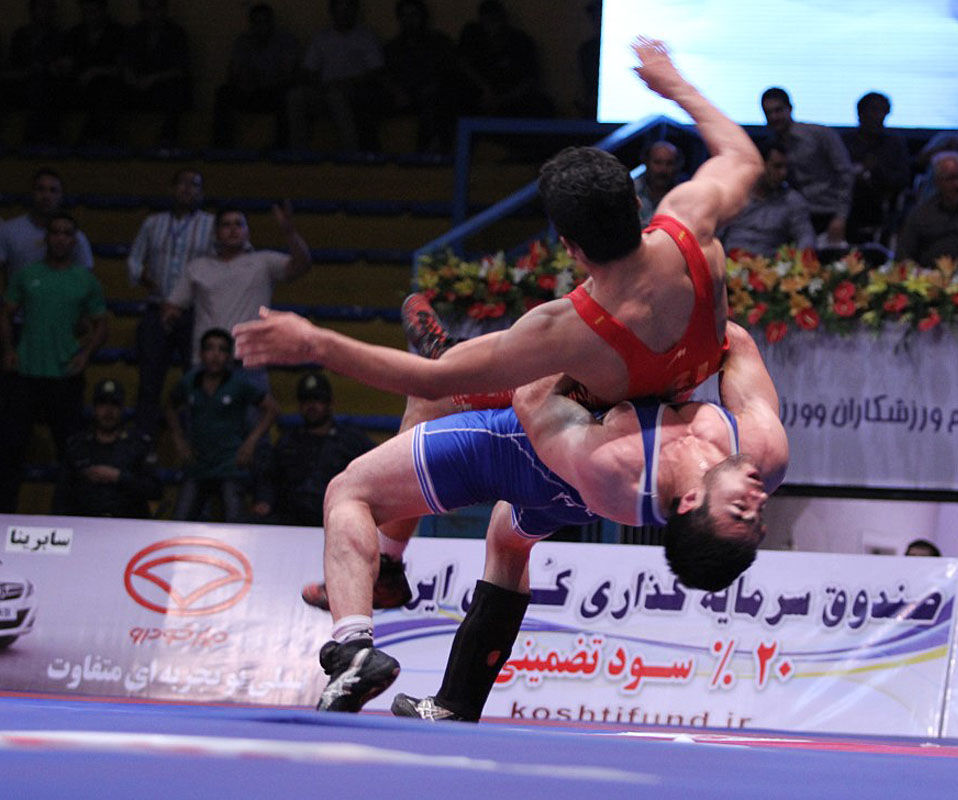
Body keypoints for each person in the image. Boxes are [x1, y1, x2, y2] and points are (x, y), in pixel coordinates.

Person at [236, 38, 761, 413]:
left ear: (569, 246)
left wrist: (315, 343)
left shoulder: (565, 327)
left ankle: (452, 350)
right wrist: (674, 85)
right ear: (637, 203)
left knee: (472, 393)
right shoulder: (690, 219)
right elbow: (742, 156)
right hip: (688, 378)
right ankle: (458, 349)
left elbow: (432, 381)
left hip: (605, 409)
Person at [314, 321, 788, 715]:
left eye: (740, 509)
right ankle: (455, 704)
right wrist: (673, 336)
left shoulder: (621, 467)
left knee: (376, 458)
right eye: (758, 516)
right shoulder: (764, 450)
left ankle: (360, 630)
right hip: (569, 486)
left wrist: (611, 332)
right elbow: (733, 339)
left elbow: (531, 398)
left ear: (690, 502)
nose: (757, 497)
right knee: (507, 540)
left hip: (526, 454)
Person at [0, 212, 108, 513]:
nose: (60, 238)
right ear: (46, 238)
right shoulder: (26, 275)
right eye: (55, 232)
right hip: (25, 373)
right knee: (9, 450)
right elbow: (5, 313)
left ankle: (69, 517)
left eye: (66, 233)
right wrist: (7, 349)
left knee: (71, 453)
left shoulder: (85, 280)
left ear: (74, 241)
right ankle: (3, 514)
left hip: (64, 375)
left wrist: (85, 355)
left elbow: (101, 324)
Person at [164, 203, 311, 368]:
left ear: (247, 231)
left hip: (250, 361)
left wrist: (290, 232)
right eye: (226, 225)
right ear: (216, 233)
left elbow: (302, 265)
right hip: (206, 362)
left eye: (238, 224)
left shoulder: (264, 262)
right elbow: (172, 308)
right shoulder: (197, 267)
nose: (233, 229)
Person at [127, 167, 214, 439]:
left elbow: (220, 265)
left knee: (196, 381)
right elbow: (133, 261)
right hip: (157, 309)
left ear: (201, 192)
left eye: (194, 184)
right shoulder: (152, 223)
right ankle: (143, 443)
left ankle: (196, 442)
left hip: (194, 313)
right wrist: (146, 279)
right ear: (171, 188)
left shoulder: (211, 225)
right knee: (149, 381)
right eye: (183, 183)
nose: (188, 189)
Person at [165, 328, 278, 522]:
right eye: (210, 349)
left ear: (229, 356)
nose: (215, 355)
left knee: (235, 524)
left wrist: (251, 442)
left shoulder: (239, 383)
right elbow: (169, 406)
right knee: (179, 521)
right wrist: (178, 439)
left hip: (230, 464)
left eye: (222, 350)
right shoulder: (190, 381)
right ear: (201, 354)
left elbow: (272, 409)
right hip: (197, 463)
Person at [248, 370, 374, 527]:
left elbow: (373, 473)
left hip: (336, 520)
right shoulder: (287, 442)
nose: (311, 406)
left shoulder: (351, 440)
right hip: (291, 521)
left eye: (317, 400)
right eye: (306, 401)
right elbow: (268, 478)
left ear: (330, 403)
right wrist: (264, 501)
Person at [52, 378, 161, 518]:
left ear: (122, 409)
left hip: (128, 523)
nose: (108, 411)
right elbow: (61, 496)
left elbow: (155, 490)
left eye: (114, 404)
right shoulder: (77, 446)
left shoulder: (139, 445)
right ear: (94, 408)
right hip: (86, 523)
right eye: (102, 404)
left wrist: (119, 477)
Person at [287, 0, 384, 152]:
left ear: (355, 12)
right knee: (295, 96)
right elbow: (308, 69)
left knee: (336, 96)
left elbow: (376, 71)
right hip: (325, 91)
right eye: (340, 10)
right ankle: (298, 152)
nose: (343, 15)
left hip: (356, 91)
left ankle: (351, 151)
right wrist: (317, 84)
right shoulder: (321, 37)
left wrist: (348, 82)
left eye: (347, 10)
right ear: (332, 13)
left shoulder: (366, 36)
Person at [760, 86, 852, 244]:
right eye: (768, 113)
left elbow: (845, 174)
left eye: (778, 110)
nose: (774, 117)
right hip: (793, 217)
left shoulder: (820, 135)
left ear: (790, 108)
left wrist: (840, 217)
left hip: (828, 214)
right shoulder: (771, 146)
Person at [212, 2, 301, 150]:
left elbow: (289, 74)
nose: (261, 26)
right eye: (257, 22)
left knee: (288, 96)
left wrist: (264, 80)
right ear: (251, 24)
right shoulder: (243, 42)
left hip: (274, 93)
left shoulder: (286, 41)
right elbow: (234, 73)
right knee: (223, 93)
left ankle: (282, 148)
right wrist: (243, 82)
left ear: (272, 22)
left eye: (265, 21)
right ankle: (221, 147)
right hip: (249, 92)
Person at [382, 0, 464, 156]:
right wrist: (396, 91)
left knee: (441, 98)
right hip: (402, 97)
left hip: (435, 97)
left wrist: (434, 86)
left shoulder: (439, 42)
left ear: (423, 17)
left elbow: (451, 70)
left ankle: (427, 152)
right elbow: (383, 74)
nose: (409, 20)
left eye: (414, 15)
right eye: (405, 16)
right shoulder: (392, 48)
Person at [0, 168, 94, 290]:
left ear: (61, 196)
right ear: (32, 193)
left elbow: (86, 281)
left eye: (53, 190)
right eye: (40, 189)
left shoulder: (76, 237)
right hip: (18, 301)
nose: (46, 196)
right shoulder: (8, 231)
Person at [457, 0, 553, 118]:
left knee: (542, 105)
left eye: (495, 20)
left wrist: (501, 100)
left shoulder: (520, 41)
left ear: (503, 20)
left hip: (512, 100)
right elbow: (462, 63)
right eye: (487, 21)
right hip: (478, 97)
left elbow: (530, 80)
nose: (492, 27)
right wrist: (485, 89)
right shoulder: (472, 35)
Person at [719, 141, 814, 255]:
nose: (783, 173)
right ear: (760, 165)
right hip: (729, 260)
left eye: (786, 167)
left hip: (769, 263)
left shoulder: (792, 201)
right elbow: (715, 234)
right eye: (777, 166)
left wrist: (801, 260)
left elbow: (806, 237)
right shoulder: (736, 195)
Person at [841, 91, 909, 244]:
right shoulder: (845, 142)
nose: (877, 116)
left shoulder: (894, 143)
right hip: (848, 205)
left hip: (883, 204)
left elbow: (903, 179)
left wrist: (876, 170)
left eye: (881, 111)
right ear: (860, 113)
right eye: (872, 110)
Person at [0, 0, 70, 146]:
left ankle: (34, 138)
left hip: (46, 84)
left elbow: (61, 66)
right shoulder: (20, 35)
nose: (45, 12)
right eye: (41, 8)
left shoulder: (59, 36)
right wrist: (27, 71)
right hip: (20, 83)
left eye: (48, 8)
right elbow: (12, 64)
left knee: (41, 85)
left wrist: (47, 68)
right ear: (33, 10)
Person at [122, 0, 191, 147]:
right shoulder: (135, 32)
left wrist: (154, 78)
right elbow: (126, 61)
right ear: (142, 12)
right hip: (138, 88)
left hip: (164, 88)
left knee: (177, 89)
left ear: (165, 10)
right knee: (112, 89)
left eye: (157, 9)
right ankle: (111, 139)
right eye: (148, 9)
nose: (153, 14)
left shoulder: (176, 33)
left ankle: (167, 138)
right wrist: (131, 77)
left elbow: (180, 69)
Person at [63, 0, 126, 146]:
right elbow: (68, 61)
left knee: (107, 89)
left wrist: (97, 72)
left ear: (103, 11)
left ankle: (93, 136)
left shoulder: (117, 33)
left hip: (107, 87)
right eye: (86, 12)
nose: (91, 16)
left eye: (94, 11)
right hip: (79, 85)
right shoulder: (75, 33)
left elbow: (122, 68)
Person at [635, 140, 681, 227]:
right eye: (657, 162)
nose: (663, 169)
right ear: (646, 162)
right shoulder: (631, 190)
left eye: (669, 163)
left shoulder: (683, 196)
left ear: (677, 166)